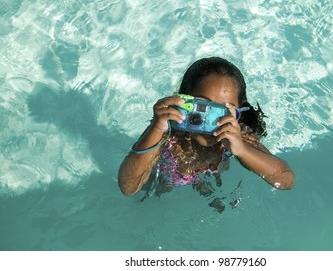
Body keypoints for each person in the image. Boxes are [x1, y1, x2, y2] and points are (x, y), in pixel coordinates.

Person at [118, 57, 294, 197]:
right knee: (153, 192)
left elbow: (286, 181)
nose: (212, 121)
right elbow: (128, 187)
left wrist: (242, 150)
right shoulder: (168, 132)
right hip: (168, 178)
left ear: (238, 111)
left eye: (223, 110)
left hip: (207, 177)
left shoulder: (236, 133)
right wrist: (156, 129)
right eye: (203, 106)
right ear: (183, 100)